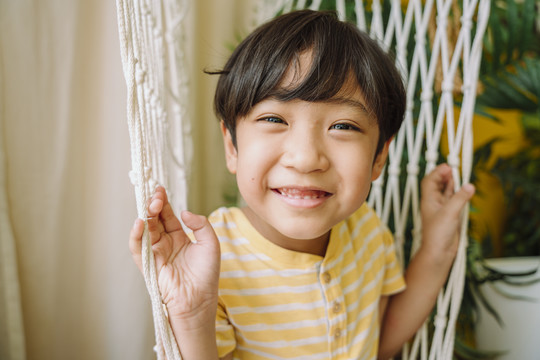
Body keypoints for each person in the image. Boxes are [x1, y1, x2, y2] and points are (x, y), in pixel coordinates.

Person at [129, 9, 475, 360]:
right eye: (274, 119)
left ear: (379, 157)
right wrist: (192, 315)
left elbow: (379, 345)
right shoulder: (210, 260)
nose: (307, 158)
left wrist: (437, 249)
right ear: (232, 147)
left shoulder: (367, 233)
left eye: (343, 126)